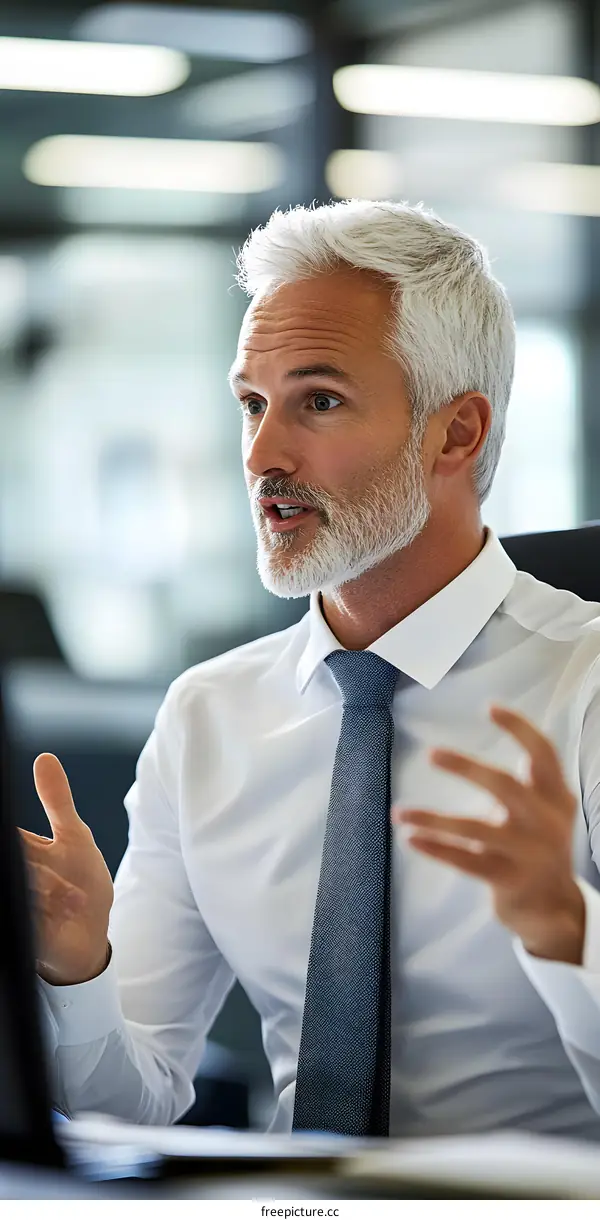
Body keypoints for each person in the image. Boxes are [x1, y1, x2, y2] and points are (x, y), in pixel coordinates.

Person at [28, 200, 600, 1140]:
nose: (261, 456)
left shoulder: (585, 687)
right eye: (253, 403)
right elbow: (130, 1098)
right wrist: (77, 973)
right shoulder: (209, 715)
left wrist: (566, 933)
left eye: (319, 401)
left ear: (456, 435)